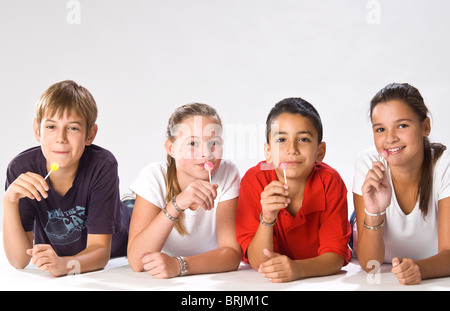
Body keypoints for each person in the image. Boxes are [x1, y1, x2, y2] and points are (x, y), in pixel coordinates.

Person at [3, 80, 131, 277]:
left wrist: (65, 266)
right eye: (52, 126)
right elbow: (19, 261)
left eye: (72, 128)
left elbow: (101, 253)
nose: (60, 138)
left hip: (129, 231)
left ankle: (131, 201)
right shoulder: (22, 170)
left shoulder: (102, 165)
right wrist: (9, 201)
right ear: (38, 130)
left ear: (90, 134)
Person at [236, 97, 351, 283]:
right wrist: (267, 218)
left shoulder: (330, 181)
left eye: (303, 139)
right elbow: (260, 263)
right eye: (281, 139)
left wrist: (297, 269)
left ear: (320, 151)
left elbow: (335, 257)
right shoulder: (254, 181)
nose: (292, 149)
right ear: (267, 152)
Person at [127, 103, 242, 278]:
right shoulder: (154, 176)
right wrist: (178, 203)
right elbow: (137, 261)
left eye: (214, 143)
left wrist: (179, 265)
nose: (206, 153)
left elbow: (232, 255)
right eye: (193, 143)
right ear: (171, 148)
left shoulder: (228, 173)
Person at [352, 83, 450, 285]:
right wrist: (374, 212)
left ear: (425, 127)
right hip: (360, 227)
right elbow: (371, 264)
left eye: (402, 126)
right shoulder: (367, 163)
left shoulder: (444, 165)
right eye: (380, 129)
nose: (390, 138)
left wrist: (419, 269)